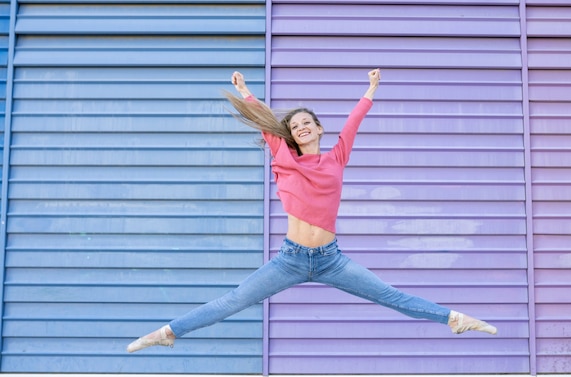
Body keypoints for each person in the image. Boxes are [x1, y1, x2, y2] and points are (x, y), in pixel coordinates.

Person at [126, 69, 497, 353]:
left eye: (307, 123)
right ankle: (168, 332)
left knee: (391, 296)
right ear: (290, 135)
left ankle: (453, 319)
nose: (301, 128)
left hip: (331, 260)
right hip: (290, 259)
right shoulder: (283, 157)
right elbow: (263, 122)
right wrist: (245, 92)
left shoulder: (337, 157)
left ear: (319, 129)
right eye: (295, 126)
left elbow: (353, 124)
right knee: (234, 300)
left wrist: (370, 91)